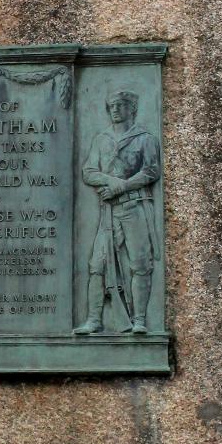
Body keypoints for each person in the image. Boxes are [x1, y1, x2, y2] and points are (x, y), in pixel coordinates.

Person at [76, 89, 159, 335]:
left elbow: (151, 171)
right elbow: (88, 171)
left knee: (140, 264)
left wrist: (121, 186)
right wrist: (108, 181)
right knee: (97, 265)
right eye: (111, 105)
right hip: (108, 212)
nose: (114, 109)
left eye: (120, 105)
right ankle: (94, 320)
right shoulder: (102, 139)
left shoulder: (145, 138)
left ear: (131, 108)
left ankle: (140, 319)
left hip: (135, 207)